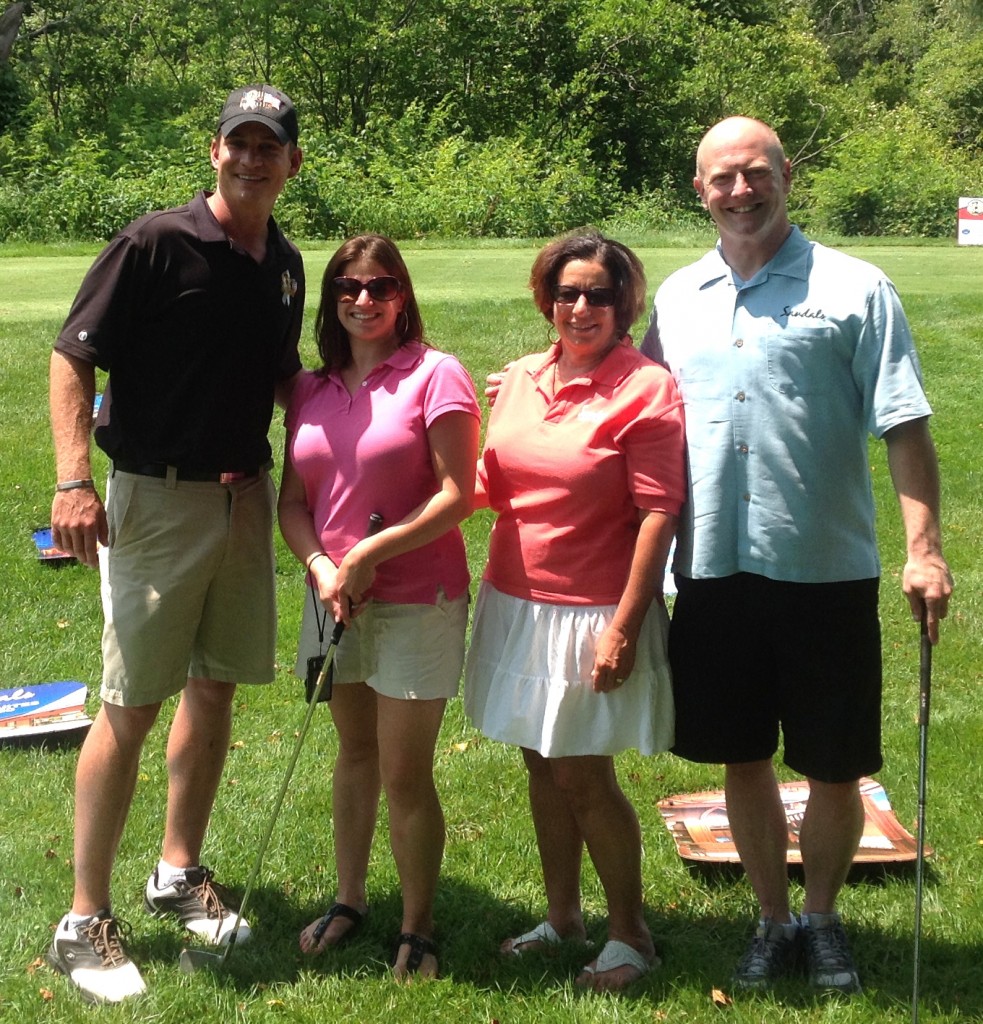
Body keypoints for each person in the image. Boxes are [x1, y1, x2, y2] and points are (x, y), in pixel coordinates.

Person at [639, 116, 954, 994]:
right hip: (709, 564)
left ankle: (820, 921)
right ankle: (769, 920)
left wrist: (923, 551)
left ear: (786, 175)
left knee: (833, 761)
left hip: (822, 564)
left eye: (755, 172)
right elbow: (626, 406)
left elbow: (904, 423)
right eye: (721, 177)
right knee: (740, 754)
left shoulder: (855, 288)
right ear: (697, 189)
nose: (740, 190)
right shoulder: (675, 296)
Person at [45, 84, 304, 1004]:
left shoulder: (284, 261)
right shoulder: (155, 241)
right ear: (214, 151)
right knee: (130, 701)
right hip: (154, 500)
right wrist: (74, 480)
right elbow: (74, 354)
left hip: (243, 500)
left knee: (215, 685)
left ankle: (177, 870)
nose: (250, 159)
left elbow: (284, 380)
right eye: (237, 143)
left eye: (267, 147)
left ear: (290, 164)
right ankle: (82, 920)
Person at [465, 233, 686, 992]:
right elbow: (491, 485)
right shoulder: (522, 377)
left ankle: (631, 935)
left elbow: (658, 513)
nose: (581, 307)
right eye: (567, 293)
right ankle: (562, 917)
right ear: (546, 300)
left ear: (624, 302)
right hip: (514, 599)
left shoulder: (645, 387)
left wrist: (625, 625)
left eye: (598, 293)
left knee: (584, 777)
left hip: (591, 609)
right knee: (538, 761)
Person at [278, 234, 479, 981]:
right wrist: (326, 564)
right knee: (353, 754)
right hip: (331, 598)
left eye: (382, 285)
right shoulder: (309, 388)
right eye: (349, 287)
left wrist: (367, 556)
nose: (365, 299)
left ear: (404, 296)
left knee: (404, 771)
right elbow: (293, 503)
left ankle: (418, 925)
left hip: (414, 600)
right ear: (331, 301)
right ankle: (350, 898)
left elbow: (458, 495)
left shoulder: (436, 374)